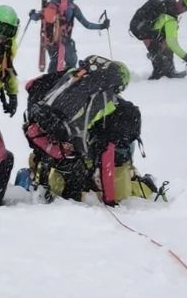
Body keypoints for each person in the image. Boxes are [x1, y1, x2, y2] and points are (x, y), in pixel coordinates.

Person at [22, 55, 165, 205]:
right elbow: (107, 153)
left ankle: (37, 175)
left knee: (58, 171)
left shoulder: (71, 76)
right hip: (73, 155)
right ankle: (143, 184)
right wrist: (110, 200)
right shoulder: (113, 106)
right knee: (112, 187)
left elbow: (31, 85)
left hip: (41, 138)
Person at [28, 0, 110, 72]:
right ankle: (66, 75)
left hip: (51, 41)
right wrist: (102, 26)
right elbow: (87, 24)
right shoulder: (73, 7)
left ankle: (52, 77)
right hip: (64, 41)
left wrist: (33, 15)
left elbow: (40, 15)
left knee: (56, 61)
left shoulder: (54, 2)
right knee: (70, 62)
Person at [143, 0, 187, 79]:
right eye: (184, 6)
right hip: (154, 42)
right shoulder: (170, 18)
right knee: (160, 73)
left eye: (185, 8)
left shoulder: (166, 7)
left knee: (161, 69)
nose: (183, 9)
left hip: (149, 38)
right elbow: (172, 43)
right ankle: (165, 76)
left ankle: (169, 73)